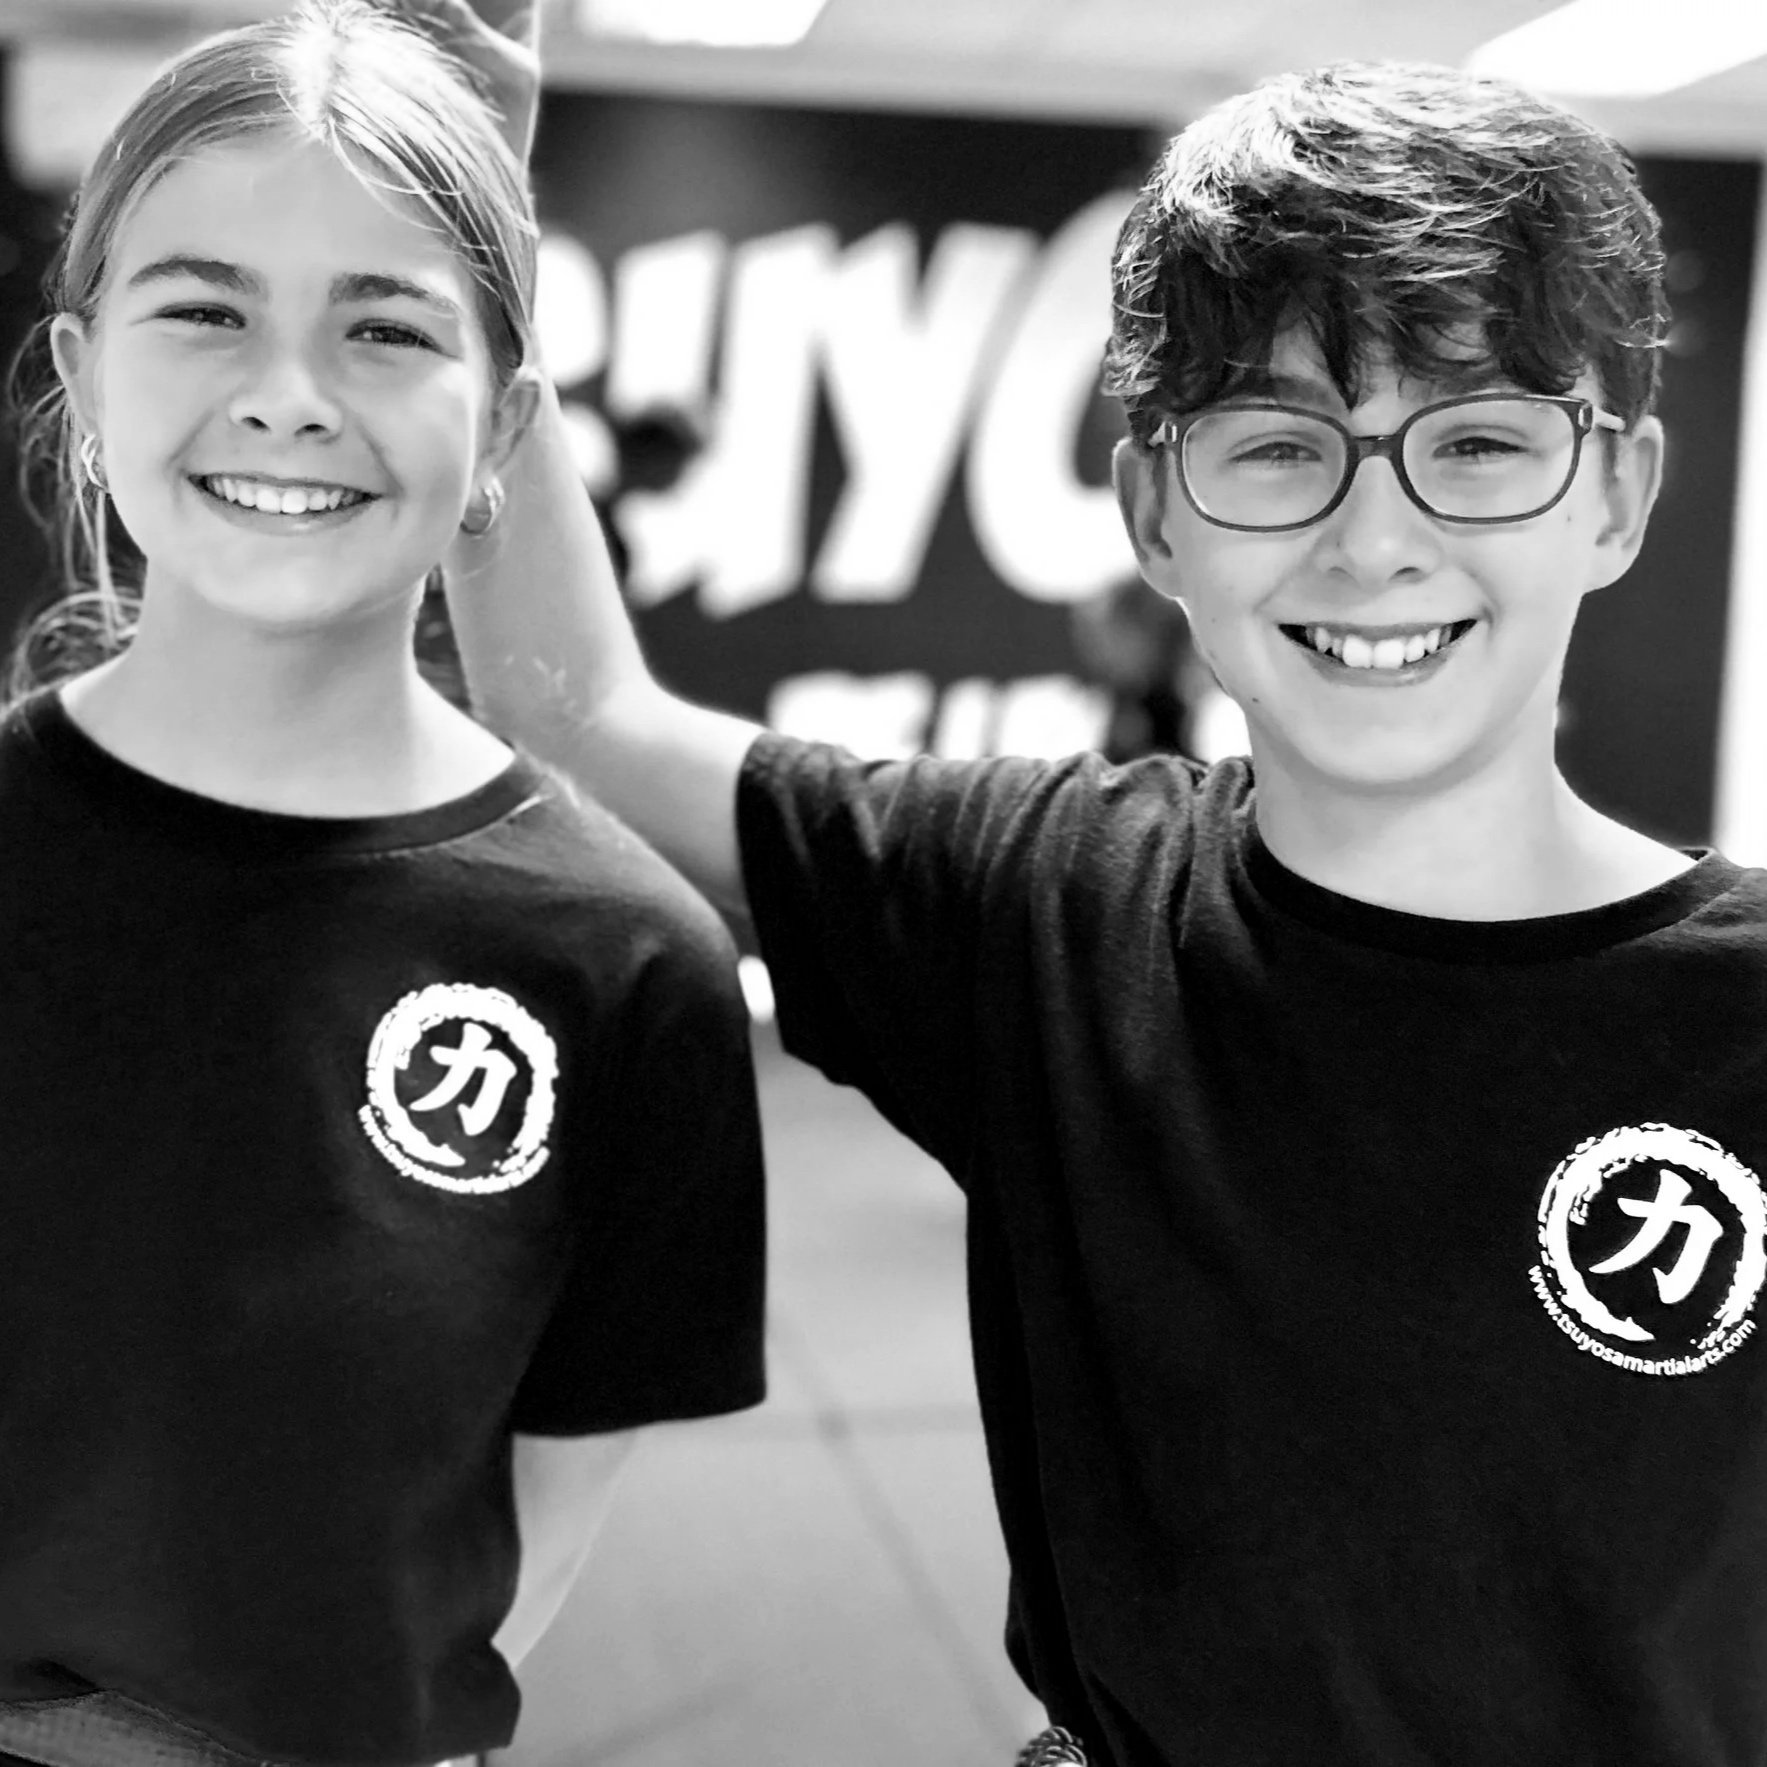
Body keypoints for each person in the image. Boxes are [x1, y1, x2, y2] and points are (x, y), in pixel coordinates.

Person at [447, 50, 1767, 1767]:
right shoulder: (1055, 905)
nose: (1378, 541)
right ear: (1154, 510)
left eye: (1482, 440)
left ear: (1620, 496)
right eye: (1281, 447)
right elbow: (583, 725)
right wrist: (453, 235)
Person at [0, 3, 765, 1764]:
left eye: (388, 323)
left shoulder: (621, 965)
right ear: (82, 364)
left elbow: (514, 1559)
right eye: (201, 308)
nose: (288, 390)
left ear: (502, 422)